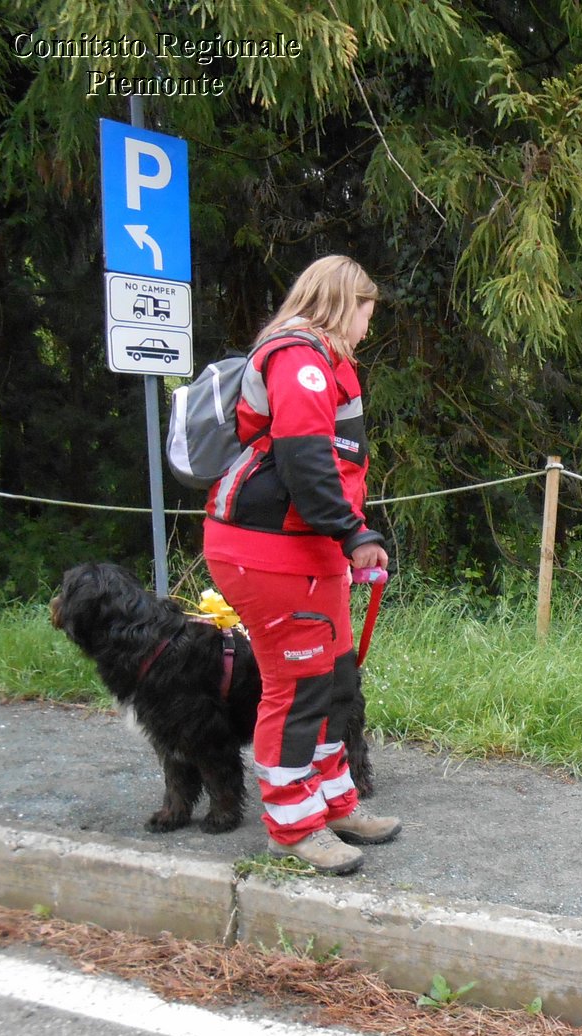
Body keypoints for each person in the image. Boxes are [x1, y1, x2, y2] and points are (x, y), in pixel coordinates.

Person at [203, 254, 398, 875]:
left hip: (310, 551)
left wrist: (342, 539)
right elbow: (306, 463)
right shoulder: (298, 359)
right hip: (270, 552)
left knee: (336, 680)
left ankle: (333, 802)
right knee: (296, 690)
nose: (370, 326)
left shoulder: (328, 363)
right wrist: (355, 534)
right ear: (348, 303)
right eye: (368, 312)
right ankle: (291, 827)